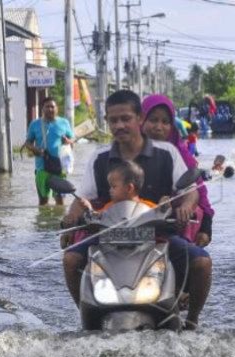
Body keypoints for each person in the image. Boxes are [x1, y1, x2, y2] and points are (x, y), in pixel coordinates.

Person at [62, 89, 212, 329]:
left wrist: (185, 206)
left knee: (202, 263)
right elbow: (82, 197)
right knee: (70, 260)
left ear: (139, 119)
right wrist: (70, 218)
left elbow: (190, 190)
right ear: (107, 122)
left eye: (126, 118)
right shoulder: (99, 158)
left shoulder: (167, 153)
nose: (120, 125)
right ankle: (87, 316)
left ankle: (192, 322)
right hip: (108, 237)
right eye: (113, 120)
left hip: (158, 237)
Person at [141, 94, 214, 248]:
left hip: (168, 228)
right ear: (141, 120)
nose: (158, 127)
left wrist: (205, 227)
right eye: (153, 120)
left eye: (165, 122)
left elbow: (197, 190)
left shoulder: (178, 154)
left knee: (201, 263)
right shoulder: (124, 150)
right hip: (126, 226)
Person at [24, 97, 75, 206]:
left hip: (60, 168)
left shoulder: (64, 123)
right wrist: (35, 149)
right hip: (42, 168)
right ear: (42, 109)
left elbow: (72, 141)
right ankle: (44, 222)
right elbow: (28, 143)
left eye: (52, 106)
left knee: (60, 202)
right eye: (47, 106)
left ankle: (58, 221)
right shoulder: (35, 124)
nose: (50, 109)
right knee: (43, 202)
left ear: (57, 108)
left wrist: (68, 141)